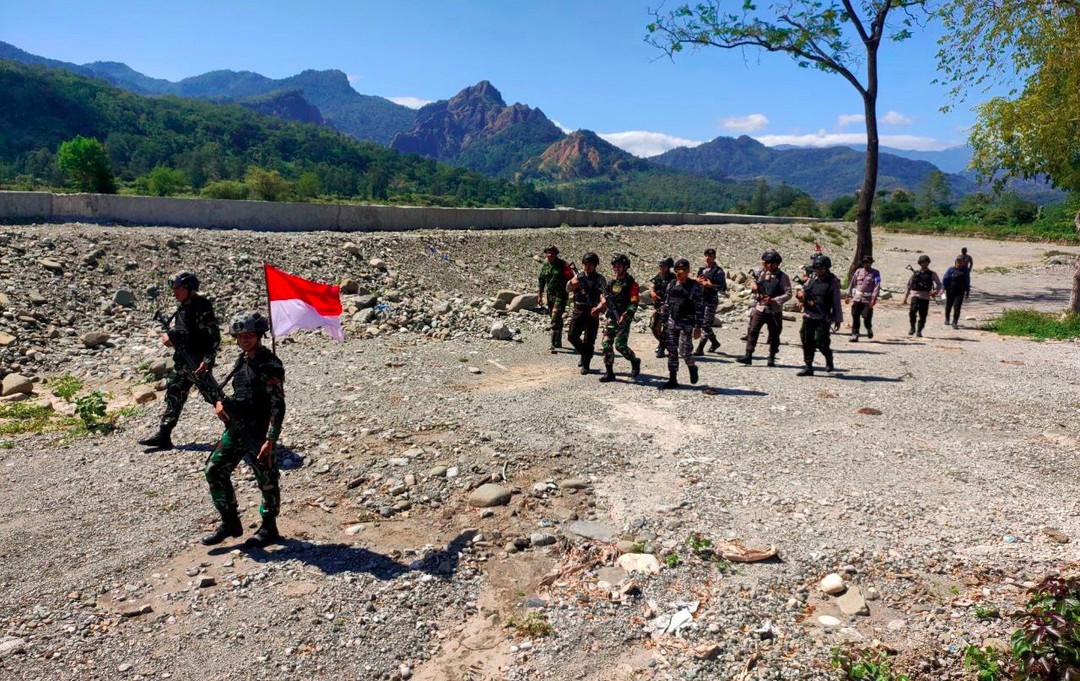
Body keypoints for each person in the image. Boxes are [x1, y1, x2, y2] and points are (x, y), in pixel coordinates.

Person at [202, 312, 286, 547]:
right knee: (214, 470)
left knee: (267, 479)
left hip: (258, 431)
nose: (244, 339)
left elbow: (277, 405)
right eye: (239, 336)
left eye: (249, 335)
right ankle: (230, 522)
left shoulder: (269, 365)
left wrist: (270, 440)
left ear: (259, 335)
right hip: (237, 427)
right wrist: (221, 405)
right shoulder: (243, 360)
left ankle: (269, 527)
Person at [139, 270, 221, 450]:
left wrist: (207, 361)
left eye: (178, 288)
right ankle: (164, 435)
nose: (174, 292)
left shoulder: (202, 307)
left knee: (215, 397)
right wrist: (170, 338)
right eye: (173, 288)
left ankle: (238, 432)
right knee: (174, 395)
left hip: (197, 363)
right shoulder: (182, 307)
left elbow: (214, 338)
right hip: (182, 362)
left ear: (190, 288)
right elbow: (184, 334)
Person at [737, 250, 792, 367]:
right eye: (767, 263)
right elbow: (754, 285)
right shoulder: (761, 273)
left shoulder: (783, 277)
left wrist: (774, 300)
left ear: (777, 263)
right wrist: (753, 287)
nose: (769, 265)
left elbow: (788, 293)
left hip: (774, 310)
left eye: (772, 263)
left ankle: (771, 357)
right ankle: (748, 355)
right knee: (752, 331)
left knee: (774, 334)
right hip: (760, 308)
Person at [659, 258, 705, 389]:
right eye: (676, 270)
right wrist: (662, 319)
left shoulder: (695, 287)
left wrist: (698, 327)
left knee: (685, 351)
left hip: (687, 323)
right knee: (672, 351)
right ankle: (673, 379)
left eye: (682, 270)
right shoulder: (672, 284)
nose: (679, 273)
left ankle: (692, 366)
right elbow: (666, 304)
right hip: (672, 321)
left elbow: (699, 308)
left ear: (688, 271)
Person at [597, 253, 642, 383]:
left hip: (624, 318)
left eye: (619, 265)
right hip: (611, 318)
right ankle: (609, 373)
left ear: (625, 267)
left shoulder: (631, 284)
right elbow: (603, 295)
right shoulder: (611, 282)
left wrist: (626, 314)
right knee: (606, 344)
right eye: (614, 265)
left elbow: (634, 302)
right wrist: (603, 300)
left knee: (620, 346)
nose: (616, 268)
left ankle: (634, 360)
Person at [795, 255, 842, 376]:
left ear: (826, 268)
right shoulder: (812, 279)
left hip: (823, 317)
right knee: (806, 340)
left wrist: (838, 319)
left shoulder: (833, 282)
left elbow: (836, 301)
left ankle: (828, 356)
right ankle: (808, 366)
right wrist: (800, 295)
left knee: (822, 342)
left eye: (821, 268)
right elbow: (803, 292)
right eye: (816, 268)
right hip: (809, 314)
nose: (818, 270)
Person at [566, 252, 606, 375]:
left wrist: (600, 306)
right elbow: (568, 288)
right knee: (572, 336)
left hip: (593, 312)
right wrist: (574, 284)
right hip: (579, 310)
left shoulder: (600, 279)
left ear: (595, 266)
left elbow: (605, 294)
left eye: (590, 264)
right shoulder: (579, 276)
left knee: (589, 340)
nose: (587, 267)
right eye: (586, 264)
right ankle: (585, 354)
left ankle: (586, 364)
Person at [537, 246, 575, 354]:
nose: (550, 255)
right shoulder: (545, 266)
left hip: (561, 296)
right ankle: (558, 341)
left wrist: (573, 293)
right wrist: (539, 295)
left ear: (556, 254)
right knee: (556, 317)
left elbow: (572, 279)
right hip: (550, 296)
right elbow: (541, 281)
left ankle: (553, 344)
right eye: (548, 253)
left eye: (552, 253)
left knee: (555, 317)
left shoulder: (563, 265)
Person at [694, 248, 727, 355]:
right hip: (700, 299)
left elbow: (723, 287)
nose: (708, 258)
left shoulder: (718, 271)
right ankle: (715, 342)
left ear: (714, 258)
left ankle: (700, 348)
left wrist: (711, 285)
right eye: (706, 256)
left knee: (706, 324)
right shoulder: (701, 270)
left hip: (711, 300)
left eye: (711, 256)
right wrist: (696, 281)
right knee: (702, 323)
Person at [903, 255, 942, 337]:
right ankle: (912, 327)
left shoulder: (932, 274)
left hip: (925, 296)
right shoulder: (915, 273)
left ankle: (919, 330)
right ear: (919, 263)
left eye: (926, 262)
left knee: (923, 315)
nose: (924, 264)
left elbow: (939, 284)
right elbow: (909, 285)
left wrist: (936, 291)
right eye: (922, 262)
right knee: (912, 311)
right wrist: (905, 297)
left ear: (928, 263)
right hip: (915, 294)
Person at [847, 255, 882, 342]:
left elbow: (877, 286)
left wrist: (874, 298)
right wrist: (848, 294)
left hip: (867, 299)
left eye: (868, 262)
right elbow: (852, 283)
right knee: (855, 316)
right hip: (857, 298)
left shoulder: (876, 273)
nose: (866, 264)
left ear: (871, 263)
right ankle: (855, 334)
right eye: (865, 262)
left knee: (866, 317)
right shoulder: (858, 271)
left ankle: (869, 328)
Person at [649, 257, 676, 358]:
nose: (661, 268)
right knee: (653, 326)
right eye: (660, 266)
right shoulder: (659, 276)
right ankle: (664, 343)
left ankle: (661, 347)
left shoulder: (673, 278)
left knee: (665, 328)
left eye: (663, 266)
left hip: (668, 307)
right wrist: (652, 293)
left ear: (668, 267)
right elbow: (653, 286)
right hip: (658, 306)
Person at [942, 256, 971, 329]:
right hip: (950, 291)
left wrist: (967, 291)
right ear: (955, 262)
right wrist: (943, 288)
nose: (959, 264)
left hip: (960, 292)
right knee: (948, 306)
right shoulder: (950, 269)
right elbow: (945, 279)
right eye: (958, 262)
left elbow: (967, 281)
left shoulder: (965, 271)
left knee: (957, 307)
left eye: (961, 262)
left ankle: (955, 322)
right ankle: (947, 319)